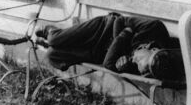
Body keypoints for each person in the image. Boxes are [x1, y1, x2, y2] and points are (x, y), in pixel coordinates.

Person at [35, 12, 182, 80]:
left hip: (99, 53)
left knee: (52, 55)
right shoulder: (154, 28)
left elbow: (108, 63)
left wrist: (125, 35)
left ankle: (48, 43)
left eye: (139, 68)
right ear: (154, 49)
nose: (134, 62)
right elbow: (119, 21)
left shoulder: (149, 66)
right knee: (55, 39)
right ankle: (50, 31)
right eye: (139, 60)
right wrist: (119, 41)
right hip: (101, 29)